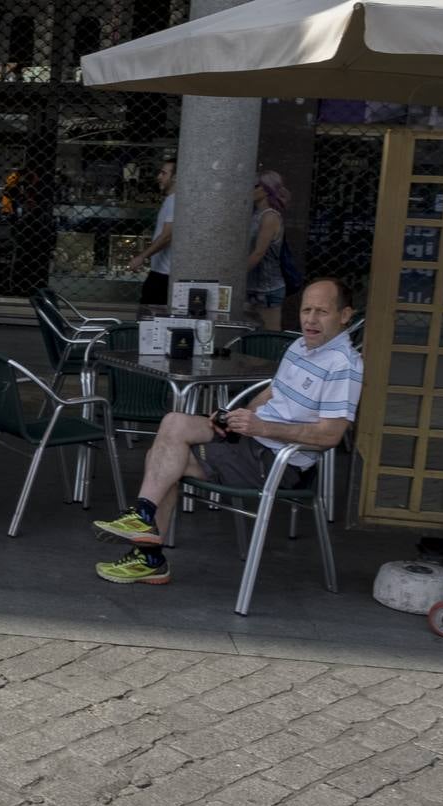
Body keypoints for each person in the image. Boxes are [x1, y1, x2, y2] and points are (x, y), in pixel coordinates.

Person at [89, 278, 359, 586]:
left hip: (276, 462)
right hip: (252, 442)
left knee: (164, 459)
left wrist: (263, 426)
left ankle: (149, 554)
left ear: (345, 315)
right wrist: (234, 417)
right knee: (173, 424)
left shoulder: (344, 366)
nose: (310, 319)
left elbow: (330, 436)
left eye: (322, 311)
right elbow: (271, 393)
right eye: (306, 309)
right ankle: (144, 519)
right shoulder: (301, 345)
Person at [246, 170, 291, 331]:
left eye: (254, 186)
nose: (249, 189)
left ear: (265, 189)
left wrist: (236, 275)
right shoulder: (255, 214)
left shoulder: (270, 217)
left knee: (269, 336)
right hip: (253, 285)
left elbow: (259, 252)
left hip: (267, 287)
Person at [129, 159, 176, 313]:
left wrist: (142, 256)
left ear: (176, 177)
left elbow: (168, 235)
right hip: (161, 272)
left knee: (148, 322)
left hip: (163, 274)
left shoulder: (175, 200)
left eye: (164, 173)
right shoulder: (171, 200)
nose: (158, 177)